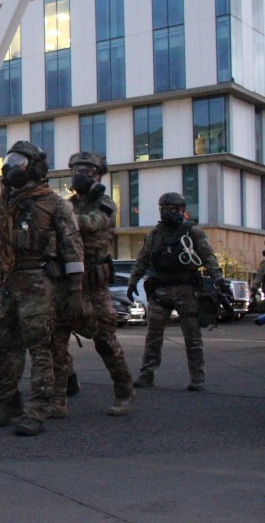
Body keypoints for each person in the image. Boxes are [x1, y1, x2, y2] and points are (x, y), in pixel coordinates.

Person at [0, 141, 84, 437]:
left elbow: (73, 250)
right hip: (3, 283)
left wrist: (77, 292)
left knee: (40, 347)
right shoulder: (0, 206)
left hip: (37, 283)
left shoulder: (53, 203)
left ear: (36, 169)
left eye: (19, 161)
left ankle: (36, 410)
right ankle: (8, 401)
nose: (10, 166)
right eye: (9, 160)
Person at [49, 153, 134, 418]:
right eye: (76, 169)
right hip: (66, 281)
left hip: (94, 285)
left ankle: (124, 392)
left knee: (105, 341)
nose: (80, 175)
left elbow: (91, 223)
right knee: (56, 341)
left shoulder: (105, 203)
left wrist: (60, 218)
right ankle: (58, 400)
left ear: (99, 175)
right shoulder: (68, 204)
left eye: (87, 170)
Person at [127, 192, 224, 391]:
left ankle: (197, 377)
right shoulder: (154, 234)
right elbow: (142, 260)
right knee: (153, 336)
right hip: (160, 291)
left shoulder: (193, 232)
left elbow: (208, 256)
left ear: (182, 210)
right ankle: (147, 374)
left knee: (192, 337)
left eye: (174, 208)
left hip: (185, 290)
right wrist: (132, 282)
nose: (170, 212)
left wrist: (218, 279)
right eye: (166, 208)